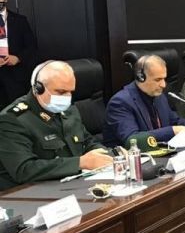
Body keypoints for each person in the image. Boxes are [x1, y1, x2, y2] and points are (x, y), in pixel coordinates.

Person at [0, 61, 112, 190]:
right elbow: (24, 170)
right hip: (29, 193)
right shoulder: (12, 119)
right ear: (38, 88)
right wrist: (80, 163)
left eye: (70, 92)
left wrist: (106, 155)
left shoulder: (69, 110)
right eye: (61, 92)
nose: (67, 97)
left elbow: (87, 142)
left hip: (72, 184)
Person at [104, 55, 185, 148]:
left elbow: (174, 121)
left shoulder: (159, 97)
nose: (164, 85)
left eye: (164, 79)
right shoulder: (120, 102)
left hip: (161, 153)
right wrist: (172, 131)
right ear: (141, 77)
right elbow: (132, 140)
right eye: (158, 80)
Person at [0, 0, 38, 109]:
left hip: (16, 77)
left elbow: (32, 46)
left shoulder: (20, 20)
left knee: (18, 112)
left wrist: (17, 58)